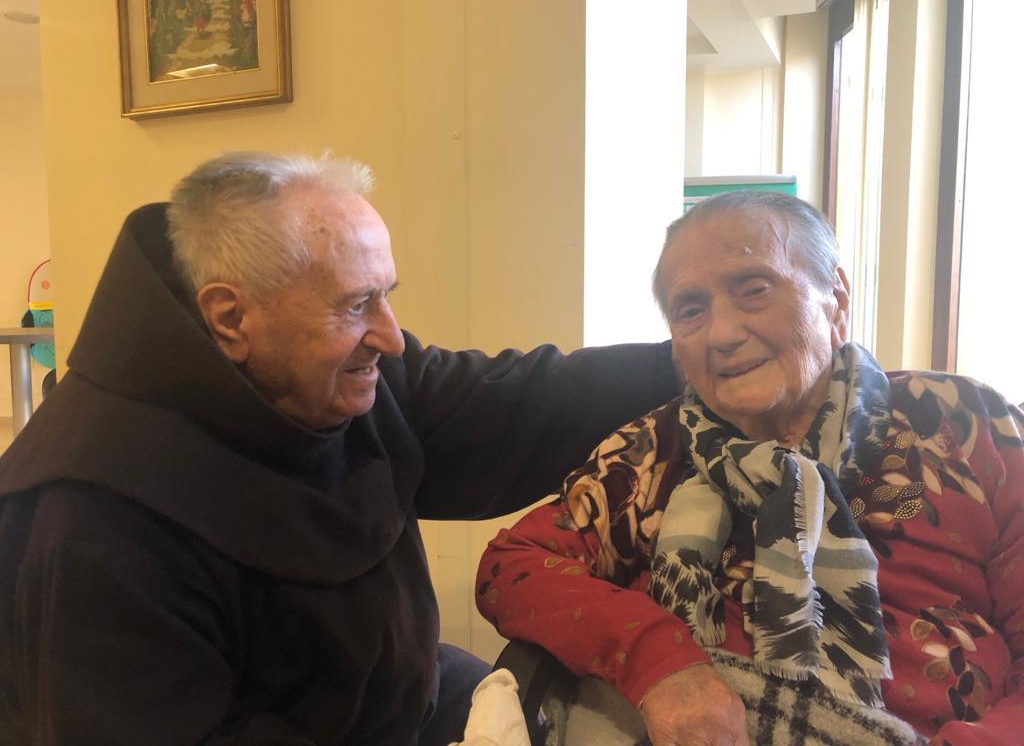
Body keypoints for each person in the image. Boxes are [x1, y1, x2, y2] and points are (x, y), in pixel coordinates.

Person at [0, 152, 681, 745]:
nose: (391, 336)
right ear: (231, 317)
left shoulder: (334, 378)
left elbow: (517, 401)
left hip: (400, 702)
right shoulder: (91, 516)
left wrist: (692, 363)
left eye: (386, 297)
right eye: (356, 306)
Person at [477, 191, 1024, 746]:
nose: (722, 333)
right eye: (691, 310)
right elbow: (511, 568)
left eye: (754, 289)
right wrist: (659, 662)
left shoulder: (963, 423)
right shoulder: (652, 451)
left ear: (836, 299)